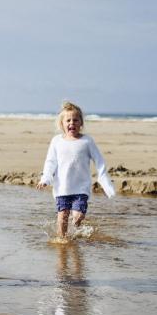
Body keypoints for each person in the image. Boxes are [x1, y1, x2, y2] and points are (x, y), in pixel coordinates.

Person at [36, 101, 115, 238]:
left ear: (81, 123)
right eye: (68, 120)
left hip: (81, 189)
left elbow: (99, 162)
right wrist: (46, 179)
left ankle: (74, 233)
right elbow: (50, 162)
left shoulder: (87, 141)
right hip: (62, 188)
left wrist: (106, 185)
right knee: (62, 218)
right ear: (62, 124)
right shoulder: (57, 141)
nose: (72, 123)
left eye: (75, 120)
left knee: (78, 216)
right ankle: (63, 244)